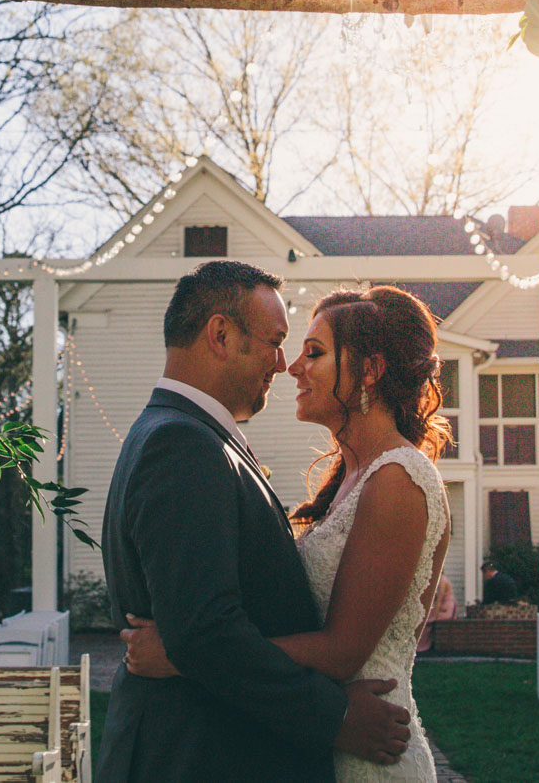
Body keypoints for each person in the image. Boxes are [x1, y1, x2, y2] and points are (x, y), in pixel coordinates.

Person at [123, 284, 455, 782]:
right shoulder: (352, 478)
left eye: (314, 353)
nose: (292, 367)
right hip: (319, 740)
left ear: (369, 370)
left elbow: (343, 649)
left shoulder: (398, 481)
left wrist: (186, 656)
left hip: (370, 750)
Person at [415, 573, 456, 654]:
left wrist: (435, 614)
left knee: (428, 621)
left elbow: (439, 600)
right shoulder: (439, 580)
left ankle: (423, 645)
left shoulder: (442, 581)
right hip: (442, 607)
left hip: (445, 609)